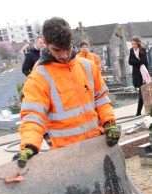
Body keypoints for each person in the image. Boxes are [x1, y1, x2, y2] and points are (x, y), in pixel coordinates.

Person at [13, 17, 120, 168]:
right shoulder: (39, 77)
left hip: (97, 145)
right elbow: (33, 116)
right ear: (45, 42)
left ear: (72, 42)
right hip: (67, 155)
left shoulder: (88, 67)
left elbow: (101, 99)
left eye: (68, 48)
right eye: (57, 50)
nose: (64, 56)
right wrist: (30, 145)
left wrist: (109, 123)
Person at [128, 36, 149, 116]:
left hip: (143, 73)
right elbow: (130, 61)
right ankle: (139, 112)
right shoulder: (131, 50)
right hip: (136, 73)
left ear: (138, 43)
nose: (133, 46)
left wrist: (135, 61)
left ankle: (138, 112)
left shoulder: (142, 50)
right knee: (141, 92)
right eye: (132, 44)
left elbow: (143, 61)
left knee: (142, 92)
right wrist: (138, 61)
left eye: (135, 44)